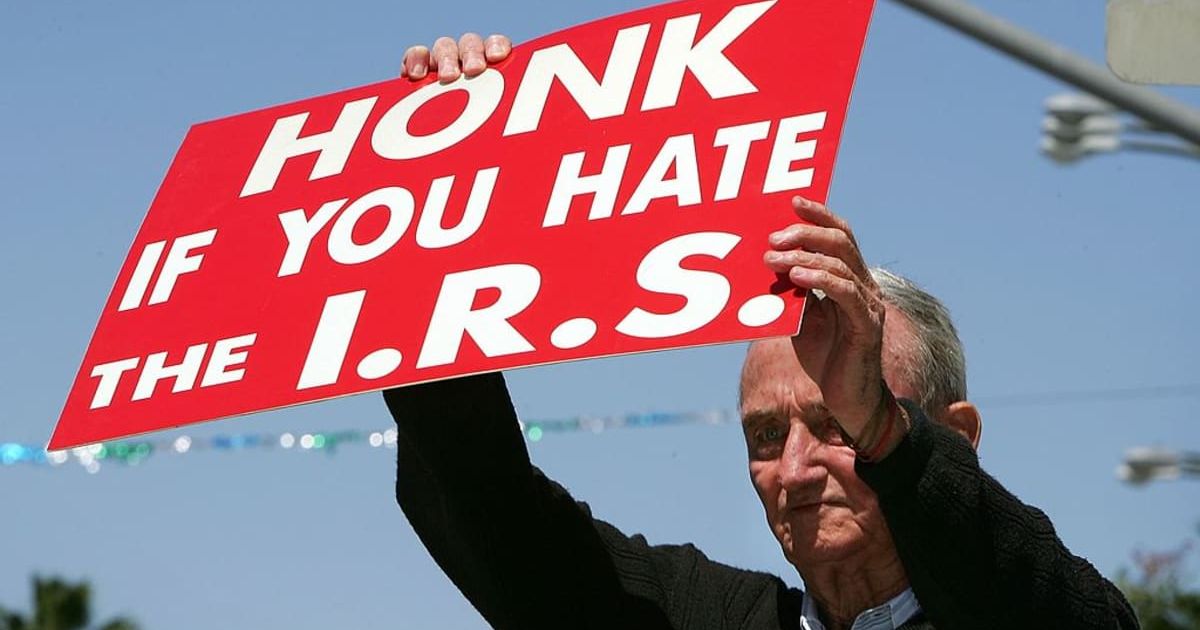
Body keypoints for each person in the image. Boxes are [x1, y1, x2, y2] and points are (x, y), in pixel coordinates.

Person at [383, 36, 1139, 630]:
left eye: (840, 420)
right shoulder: (704, 616)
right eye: (767, 437)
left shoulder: (1025, 602)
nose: (797, 469)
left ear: (954, 436)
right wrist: (449, 203)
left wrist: (887, 437)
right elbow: (495, 520)